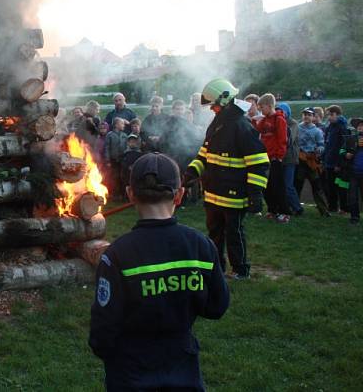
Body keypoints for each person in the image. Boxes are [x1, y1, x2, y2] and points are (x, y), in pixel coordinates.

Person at [89, 153, 229, 391]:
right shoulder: (200, 245)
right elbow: (216, 306)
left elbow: (103, 329)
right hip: (183, 368)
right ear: (179, 195)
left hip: (130, 373)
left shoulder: (117, 255)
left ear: (131, 194)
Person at [185, 79, 269, 280]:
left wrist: (255, 193)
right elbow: (204, 154)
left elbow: (259, 163)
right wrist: (191, 173)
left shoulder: (242, 127)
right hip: (213, 193)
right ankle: (218, 268)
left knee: (234, 234)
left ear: (225, 100)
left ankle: (240, 270)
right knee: (214, 233)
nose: (211, 109)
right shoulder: (217, 124)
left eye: (213, 105)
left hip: (234, 195)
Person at [254, 94, 289, 222]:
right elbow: (255, 130)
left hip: (275, 158)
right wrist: (253, 120)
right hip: (265, 157)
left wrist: (279, 156)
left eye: (261, 107)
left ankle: (284, 212)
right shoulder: (264, 120)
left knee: (278, 186)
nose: (260, 110)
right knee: (267, 186)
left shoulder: (279, 120)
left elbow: (282, 139)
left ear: (269, 106)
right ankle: (272, 209)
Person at [296, 108, 329, 216]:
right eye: (305, 114)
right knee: (297, 186)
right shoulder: (297, 128)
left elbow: (321, 145)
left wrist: (319, 150)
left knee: (317, 187)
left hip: (311, 162)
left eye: (309, 115)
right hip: (300, 161)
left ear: (313, 117)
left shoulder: (317, 131)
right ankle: (295, 208)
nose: (306, 116)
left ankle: (324, 210)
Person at [277, 103, 302, 216]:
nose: (280, 113)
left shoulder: (293, 124)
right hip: (280, 158)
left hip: (290, 159)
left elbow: (288, 140)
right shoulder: (277, 122)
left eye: (282, 111)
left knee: (288, 186)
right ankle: (285, 207)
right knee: (280, 185)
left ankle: (297, 208)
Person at [324, 105, 349, 214]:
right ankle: (332, 206)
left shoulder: (342, 127)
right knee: (331, 186)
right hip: (329, 162)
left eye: (331, 114)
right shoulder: (330, 127)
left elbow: (343, 146)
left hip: (338, 163)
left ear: (338, 115)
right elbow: (327, 144)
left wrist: (339, 163)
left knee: (341, 187)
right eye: (328, 115)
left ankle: (344, 208)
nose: (329, 117)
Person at [345, 119, 363, 225]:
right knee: (352, 196)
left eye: (362, 125)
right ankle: (354, 217)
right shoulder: (351, 139)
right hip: (353, 173)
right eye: (358, 126)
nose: (360, 127)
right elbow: (342, 150)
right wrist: (346, 154)